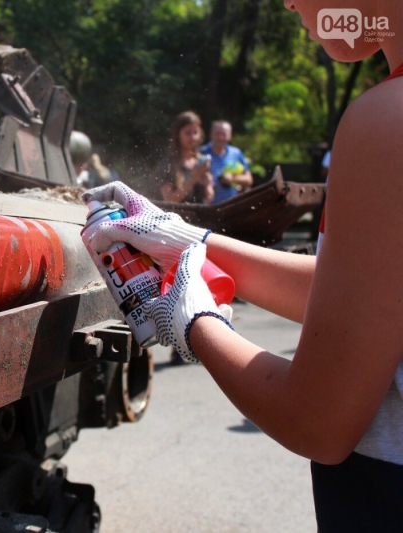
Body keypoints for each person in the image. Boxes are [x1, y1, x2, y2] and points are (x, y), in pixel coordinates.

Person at [83, 0, 403, 528]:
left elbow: (318, 423)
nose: (289, 3)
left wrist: (195, 323)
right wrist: (190, 239)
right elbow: (367, 296)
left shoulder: (386, 121)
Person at [159, 111, 214, 204]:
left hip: (200, 215)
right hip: (177, 216)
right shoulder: (169, 163)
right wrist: (194, 178)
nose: (192, 137)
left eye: (195, 132)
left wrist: (208, 184)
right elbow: (169, 200)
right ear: (178, 134)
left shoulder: (202, 161)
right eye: (187, 133)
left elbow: (209, 198)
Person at [199, 121, 252, 204]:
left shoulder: (236, 153)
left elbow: (249, 179)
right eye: (217, 134)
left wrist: (232, 179)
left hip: (232, 204)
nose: (220, 137)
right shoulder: (201, 152)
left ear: (230, 136)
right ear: (211, 135)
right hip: (208, 205)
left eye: (223, 134)